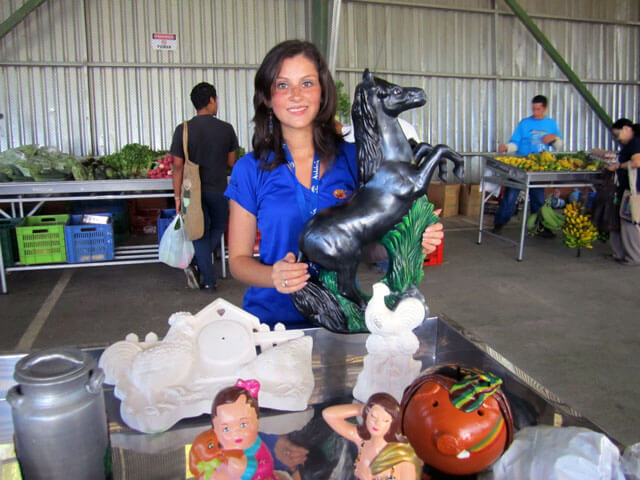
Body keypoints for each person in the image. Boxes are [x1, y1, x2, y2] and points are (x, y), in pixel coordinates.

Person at [224, 39, 443, 328]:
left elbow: (369, 244)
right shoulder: (249, 169)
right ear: (267, 96)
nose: (295, 96)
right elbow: (238, 260)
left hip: (346, 319)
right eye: (282, 85)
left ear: (322, 92)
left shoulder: (355, 160)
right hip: (272, 323)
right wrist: (274, 276)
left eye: (307, 83)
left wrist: (412, 239)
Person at [170, 82, 238, 291]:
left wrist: (178, 198)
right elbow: (232, 162)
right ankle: (203, 271)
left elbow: (177, 166)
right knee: (217, 226)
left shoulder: (183, 130)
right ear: (211, 100)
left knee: (198, 232)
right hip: (218, 189)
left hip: (191, 192)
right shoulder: (226, 129)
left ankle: (203, 273)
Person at [493, 95, 563, 236]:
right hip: (521, 165)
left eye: (538, 109)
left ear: (545, 108)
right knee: (510, 197)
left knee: (538, 199)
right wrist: (506, 147)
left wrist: (555, 139)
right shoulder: (524, 123)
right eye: (533, 109)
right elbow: (515, 143)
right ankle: (499, 224)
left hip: (539, 167)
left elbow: (558, 146)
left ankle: (541, 227)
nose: (535, 112)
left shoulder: (551, 124)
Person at [322, 393, 422, 480]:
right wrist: (361, 408)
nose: (377, 423)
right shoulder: (362, 441)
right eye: (373, 416)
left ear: (393, 423)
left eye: (385, 420)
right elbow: (329, 415)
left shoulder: (401, 457)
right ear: (366, 415)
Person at [606, 118, 640, 265]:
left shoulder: (635, 142)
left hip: (634, 190)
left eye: (617, 134)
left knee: (629, 222)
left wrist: (619, 165)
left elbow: (637, 162)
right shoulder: (631, 143)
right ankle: (621, 254)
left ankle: (634, 257)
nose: (617, 138)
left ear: (626, 129)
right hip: (626, 189)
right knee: (623, 221)